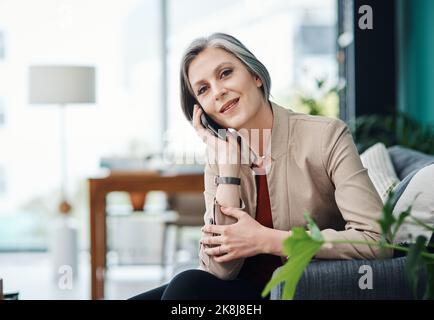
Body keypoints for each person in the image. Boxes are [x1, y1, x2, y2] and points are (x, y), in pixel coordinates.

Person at [130, 32, 391, 300]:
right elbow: (218, 271)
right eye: (203, 89)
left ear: (255, 75)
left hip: (298, 288)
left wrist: (266, 239)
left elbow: (376, 241)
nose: (218, 92)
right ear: (202, 110)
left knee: (186, 289)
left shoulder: (326, 136)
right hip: (239, 291)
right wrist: (229, 170)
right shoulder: (220, 156)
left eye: (225, 73)